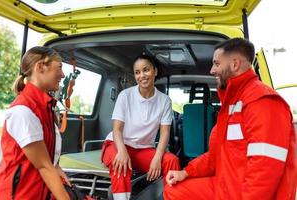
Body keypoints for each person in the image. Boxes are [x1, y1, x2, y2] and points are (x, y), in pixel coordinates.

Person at [164, 38, 297, 200]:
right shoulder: (233, 105)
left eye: (216, 64)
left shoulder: (262, 101)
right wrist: (185, 172)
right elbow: (215, 157)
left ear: (234, 64)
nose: (212, 70)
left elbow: (264, 171)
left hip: (243, 193)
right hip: (225, 184)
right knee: (174, 190)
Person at [101, 54, 180, 200]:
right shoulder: (125, 96)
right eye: (137, 72)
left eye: (146, 70)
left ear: (155, 71)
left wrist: (157, 158)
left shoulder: (164, 101)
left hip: (143, 149)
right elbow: (117, 129)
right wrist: (122, 151)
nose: (142, 75)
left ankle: (172, 196)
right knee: (121, 162)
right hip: (117, 144)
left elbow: (164, 134)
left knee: (171, 160)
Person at [0, 47, 70, 200]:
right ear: (40, 67)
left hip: (36, 192)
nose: (63, 74)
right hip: (18, 195)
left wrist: (56, 167)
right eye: (59, 67)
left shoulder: (45, 107)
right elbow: (44, 166)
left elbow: (47, 159)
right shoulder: (24, 111)